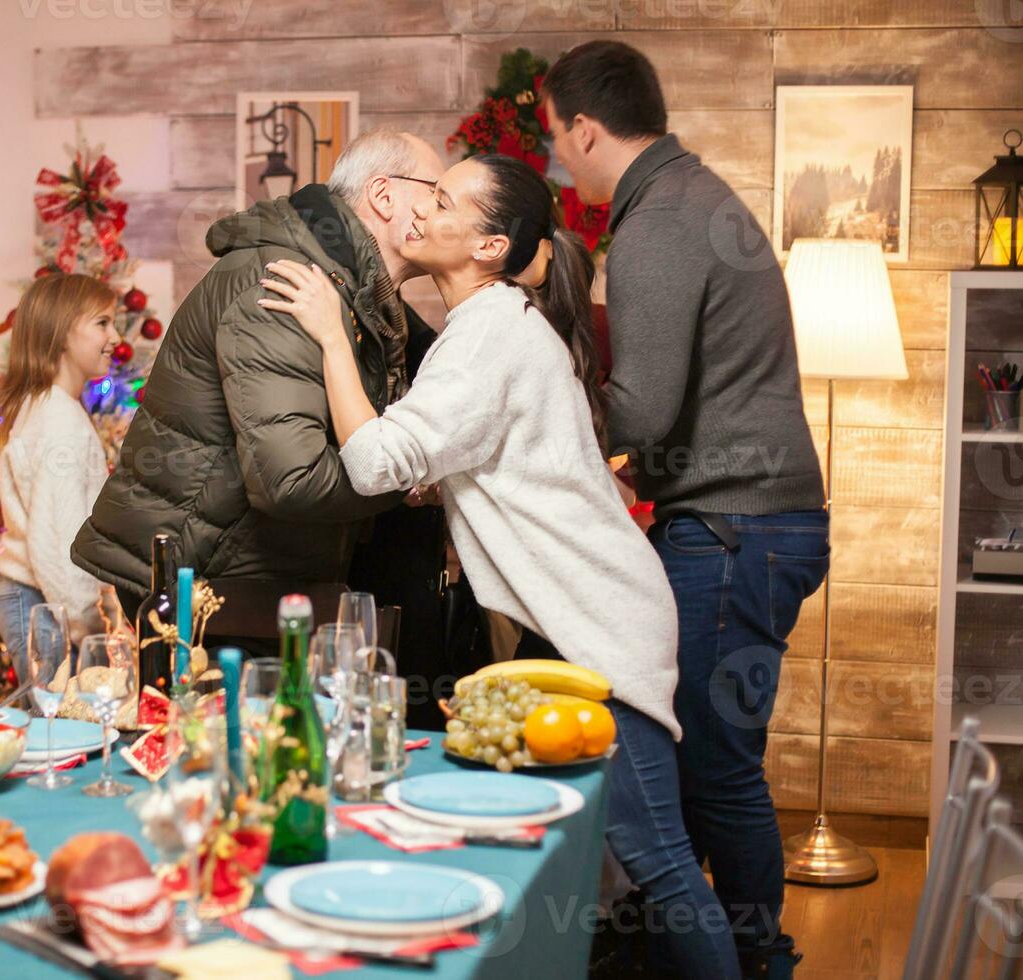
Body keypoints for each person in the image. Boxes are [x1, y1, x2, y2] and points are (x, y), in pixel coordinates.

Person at [260, 152, 740, 980]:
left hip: (599, 628)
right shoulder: (492, 325)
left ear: (488, 247)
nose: (419, 212)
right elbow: (458, 464)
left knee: (655, 858)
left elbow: (377, 462)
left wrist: (332, 336)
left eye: (442, 202)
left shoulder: (489, 334)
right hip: (569, 625)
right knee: (570, 850)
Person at [543, 40, 828, 977]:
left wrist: (546, 415)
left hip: (734, 530)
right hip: (757, 526)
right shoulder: (692, 194)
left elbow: (641, 414)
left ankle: (755, 962)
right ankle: (742, 956)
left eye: (556, 139)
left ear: (587, 128)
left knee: (714, 770)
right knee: (721, 767)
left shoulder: (659, 222)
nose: (556, 162)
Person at [71, 129, 445, 621]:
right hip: (207, 587)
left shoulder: (350, 290)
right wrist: (403, 482)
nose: (443, 213)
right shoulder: (286, 283)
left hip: (246, 576)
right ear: (383, 194)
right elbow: (291, 480)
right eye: (435, 194)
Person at [0, 273, 122, 676]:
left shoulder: (52, 407)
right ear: (63, 334)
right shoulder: (59, 421)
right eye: (102, 323)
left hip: (42, 601)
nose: (116, 336)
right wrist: (91, 626)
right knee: (59, 733)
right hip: (47, 606)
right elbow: (58, 545)